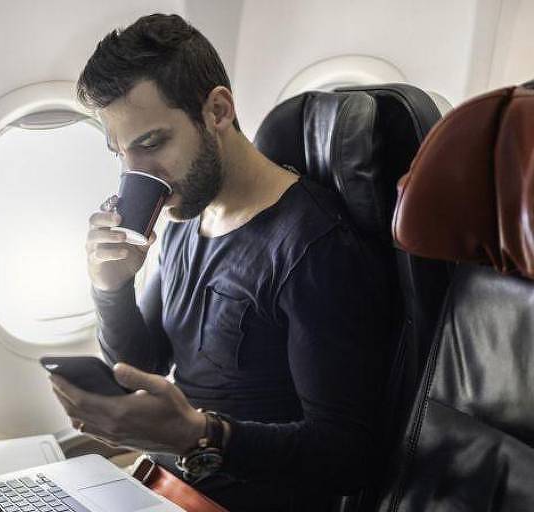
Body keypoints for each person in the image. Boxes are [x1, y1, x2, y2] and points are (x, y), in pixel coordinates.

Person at [49, 13, 393, 511]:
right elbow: (144, 363)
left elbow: (347, 455)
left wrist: (200, 436)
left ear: (217, 111)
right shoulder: (187, 220)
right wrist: (111, 287)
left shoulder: (313, 248)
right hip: (166, 488)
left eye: (152, 143)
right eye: (121, 152)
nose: (137, 173)